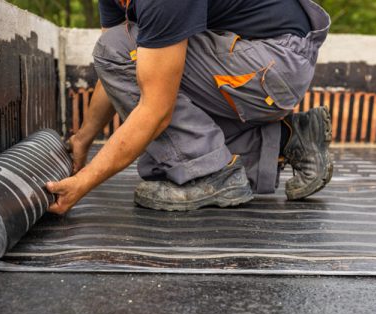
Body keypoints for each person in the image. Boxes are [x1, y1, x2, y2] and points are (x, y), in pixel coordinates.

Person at [46, 0, 332, 213]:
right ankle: (289, 139)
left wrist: (84, 182)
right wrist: (83, 137)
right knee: (166, 148)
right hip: (257, 58)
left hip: (276, 62)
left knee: (168, 140)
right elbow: (117, 65)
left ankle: (209, 175)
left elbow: (154, 109)